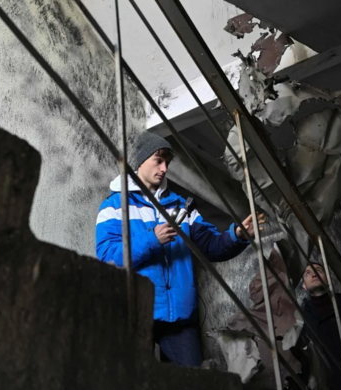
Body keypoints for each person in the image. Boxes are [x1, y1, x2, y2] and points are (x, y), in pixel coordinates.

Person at [95, 131, 260, 367]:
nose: (164, 168)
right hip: (135, 313)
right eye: (158, 160)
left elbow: (211, 246)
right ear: (140, 161)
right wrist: (153, 239)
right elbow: (108, 258)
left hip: (179, 316)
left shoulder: (182, 207)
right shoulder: (112, 207)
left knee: (192, 382)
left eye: (167, 163)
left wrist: (236, 235)